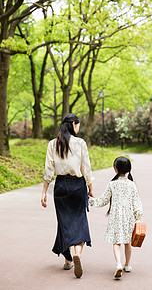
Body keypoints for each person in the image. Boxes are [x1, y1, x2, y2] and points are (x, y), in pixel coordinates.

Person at [41, 113, 94, 278]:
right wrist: (90, 188)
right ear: (73, 124)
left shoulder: (53, 144)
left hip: (61, 186)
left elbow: (49, 169)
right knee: (79, 220)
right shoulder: (80, 143)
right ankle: (77, 252)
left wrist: (44, 191)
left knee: (64, 223)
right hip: (78, 186)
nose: (79, 128)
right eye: (78, 125)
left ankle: (68, 260)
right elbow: (86, 167)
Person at [89, 156, 143, 279]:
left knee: (116, 242)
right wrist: (138, 217)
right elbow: (137, 202)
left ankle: (118, 264)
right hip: (129, 217)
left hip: (115, 217)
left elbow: (103, 201)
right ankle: (127, 265)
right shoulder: (131, 185)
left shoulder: (112, 184)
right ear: (129, 169)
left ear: (115, 169)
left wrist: (91, 201)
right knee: (128, 241)